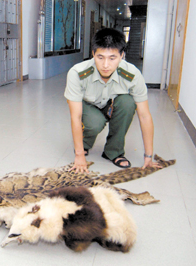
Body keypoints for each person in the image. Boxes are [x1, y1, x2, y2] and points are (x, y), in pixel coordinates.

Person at [64, 28, 162, 173]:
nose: (105, 65)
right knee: (95, 123)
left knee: (128, 103)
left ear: (122, 55)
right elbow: (76, 116)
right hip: (87, 106)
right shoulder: (77, 73)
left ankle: (113, 151)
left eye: (112, 58)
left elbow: (144, 115)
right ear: (93, 54)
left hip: (112, 104)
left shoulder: (132, 74)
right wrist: (79, 155)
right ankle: (84, 144)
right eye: (100, 57)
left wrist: (148, 156)